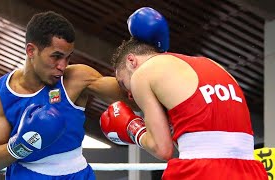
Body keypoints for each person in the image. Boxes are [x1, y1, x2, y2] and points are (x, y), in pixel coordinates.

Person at [100, 7, 268, 179]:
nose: (129, 93)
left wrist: (134, 129)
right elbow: (201, 139)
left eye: (122, 83)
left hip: (201, 170)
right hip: (251, 170)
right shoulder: (212, 64)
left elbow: (163, 149)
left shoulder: (142, 74)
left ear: (131, 61)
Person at [0, 11, 133, 180]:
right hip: (26, 175)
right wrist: (23, 144)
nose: (62, 66)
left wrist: (150, 65)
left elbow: (133, 97)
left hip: (76, 175)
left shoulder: (76, 78)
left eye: (67, 58)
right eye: (56, 57)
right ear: (31, 50)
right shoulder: (2, 93)